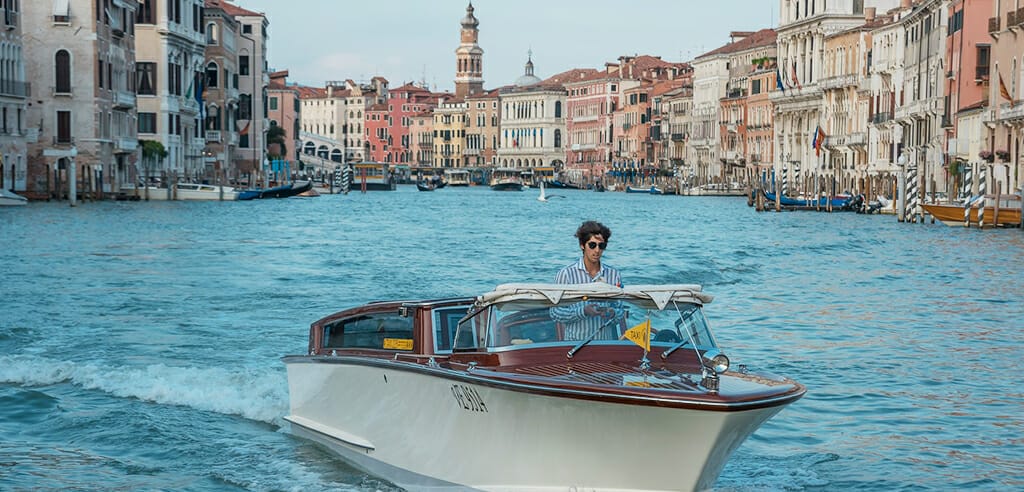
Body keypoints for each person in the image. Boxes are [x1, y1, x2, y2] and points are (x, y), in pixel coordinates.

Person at [551, 221, 623, 340]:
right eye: (592, 245)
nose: (597, 250)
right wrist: (583, 311)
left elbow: (620, 311)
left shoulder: (614, 275)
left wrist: (612, 312)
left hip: (605, 346)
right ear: (582, 245)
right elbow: (555, 313)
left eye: (602, 246)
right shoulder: (566, 274)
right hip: (575, 348)